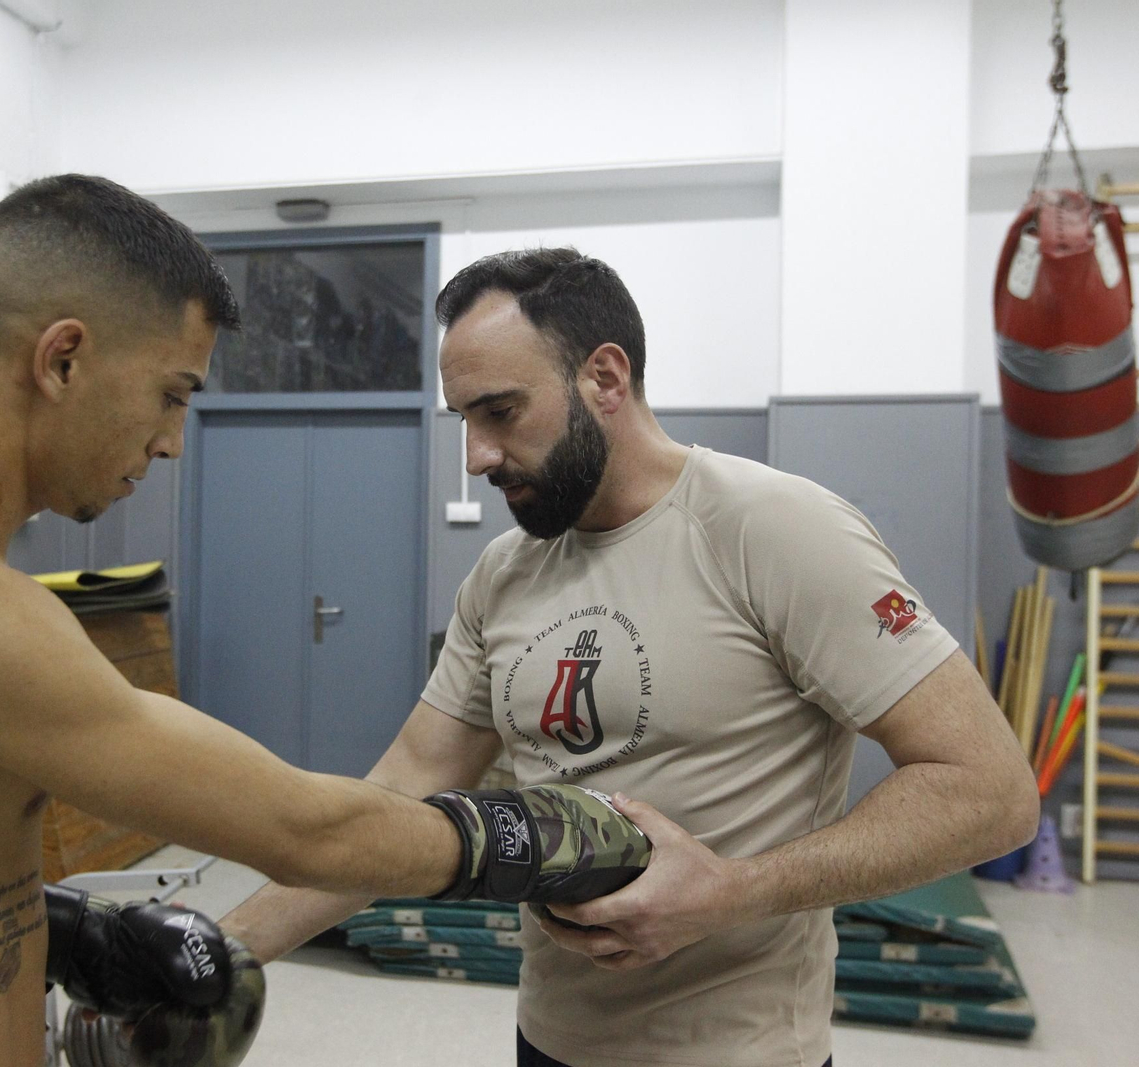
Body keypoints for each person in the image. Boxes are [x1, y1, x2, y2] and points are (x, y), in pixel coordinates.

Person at [0, 178, 646, 1067]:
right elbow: (308, 830)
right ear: (63, 359)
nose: (171, 441)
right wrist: (553, 832)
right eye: (172, 393)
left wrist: (52, 927)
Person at [221, 248, 1041, 1067]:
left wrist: (732, 893)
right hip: (548, 1042)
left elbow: (990, 790)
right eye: (463, 419)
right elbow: (396, 796)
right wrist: (219, 951)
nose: (475, 456)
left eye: (500, 411)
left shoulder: (773, 528)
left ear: (605, 380)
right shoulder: (502, 576)